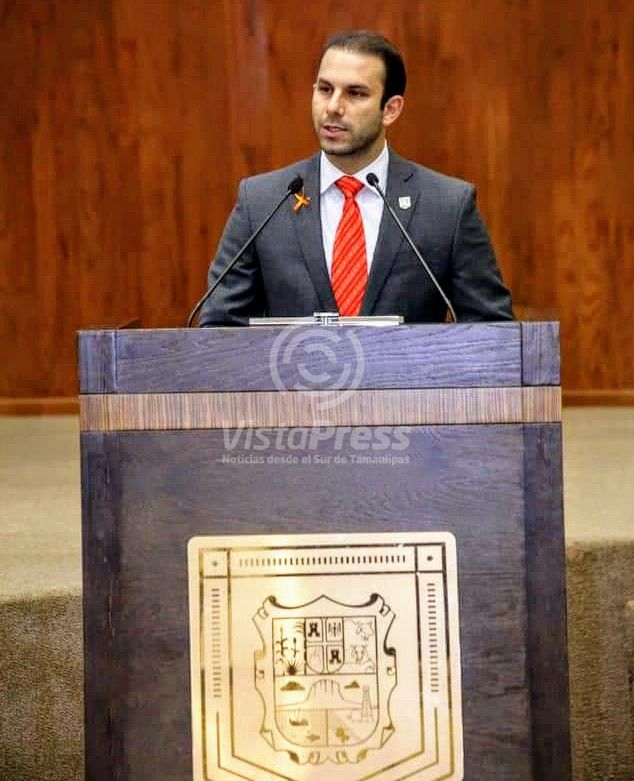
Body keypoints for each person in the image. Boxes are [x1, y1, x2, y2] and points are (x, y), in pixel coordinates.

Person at [198, 30, 513, 325]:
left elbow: (493, 333)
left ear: (390, 109)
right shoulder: (262, 202)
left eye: (355, 93)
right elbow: (219, 328)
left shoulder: (447, 207)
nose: (333, 107)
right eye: (325, 90)